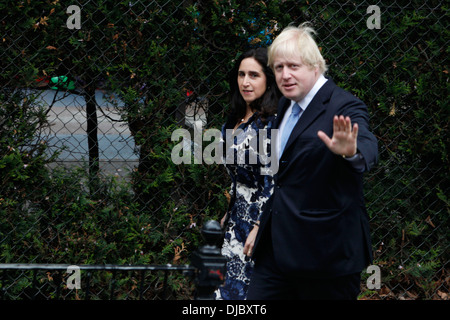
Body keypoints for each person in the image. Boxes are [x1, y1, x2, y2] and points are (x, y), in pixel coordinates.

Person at [246, 23, 379, 300]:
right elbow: (283, 180)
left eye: (293, 66)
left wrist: (350, 151)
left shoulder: (343, 105)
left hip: (325, 257)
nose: (285, 75)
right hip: (276, 252)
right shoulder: (286, 105)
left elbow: (367, 147)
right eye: (279, 67)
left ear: (315, 66)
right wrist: (262, 225)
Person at [215, 47, 281, 300]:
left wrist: (258, 226)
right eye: (241, 74)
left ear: (268, 79)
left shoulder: (271, 122)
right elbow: (239, 177)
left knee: (245, 294)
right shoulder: (235, 119)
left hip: (258, 223)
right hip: (235, 220)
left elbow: (271, 180)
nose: (245, 82)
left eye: (254, 75)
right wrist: (229, 211)